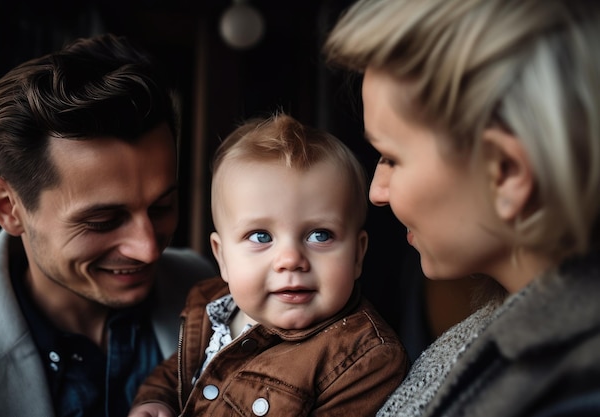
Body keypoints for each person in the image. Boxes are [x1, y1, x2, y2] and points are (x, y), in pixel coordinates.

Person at [324, 0, 600, 416]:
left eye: (391, 158)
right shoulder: (500, 327)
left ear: (505, 172)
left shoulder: (570, 391)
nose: (376, 192)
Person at [0, 33, 216, 417]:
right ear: (8, 208)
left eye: (162, 206)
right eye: (103, 221)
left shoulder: (212, 286)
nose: (149, 248)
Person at [128, 112, 409, 417]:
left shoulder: (365, 359)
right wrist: (155, 401)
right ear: (222, 257)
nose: (290, 260)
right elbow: (176, 373)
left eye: (320, 235)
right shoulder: (208, 305)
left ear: (357, 255)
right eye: (261, 236)